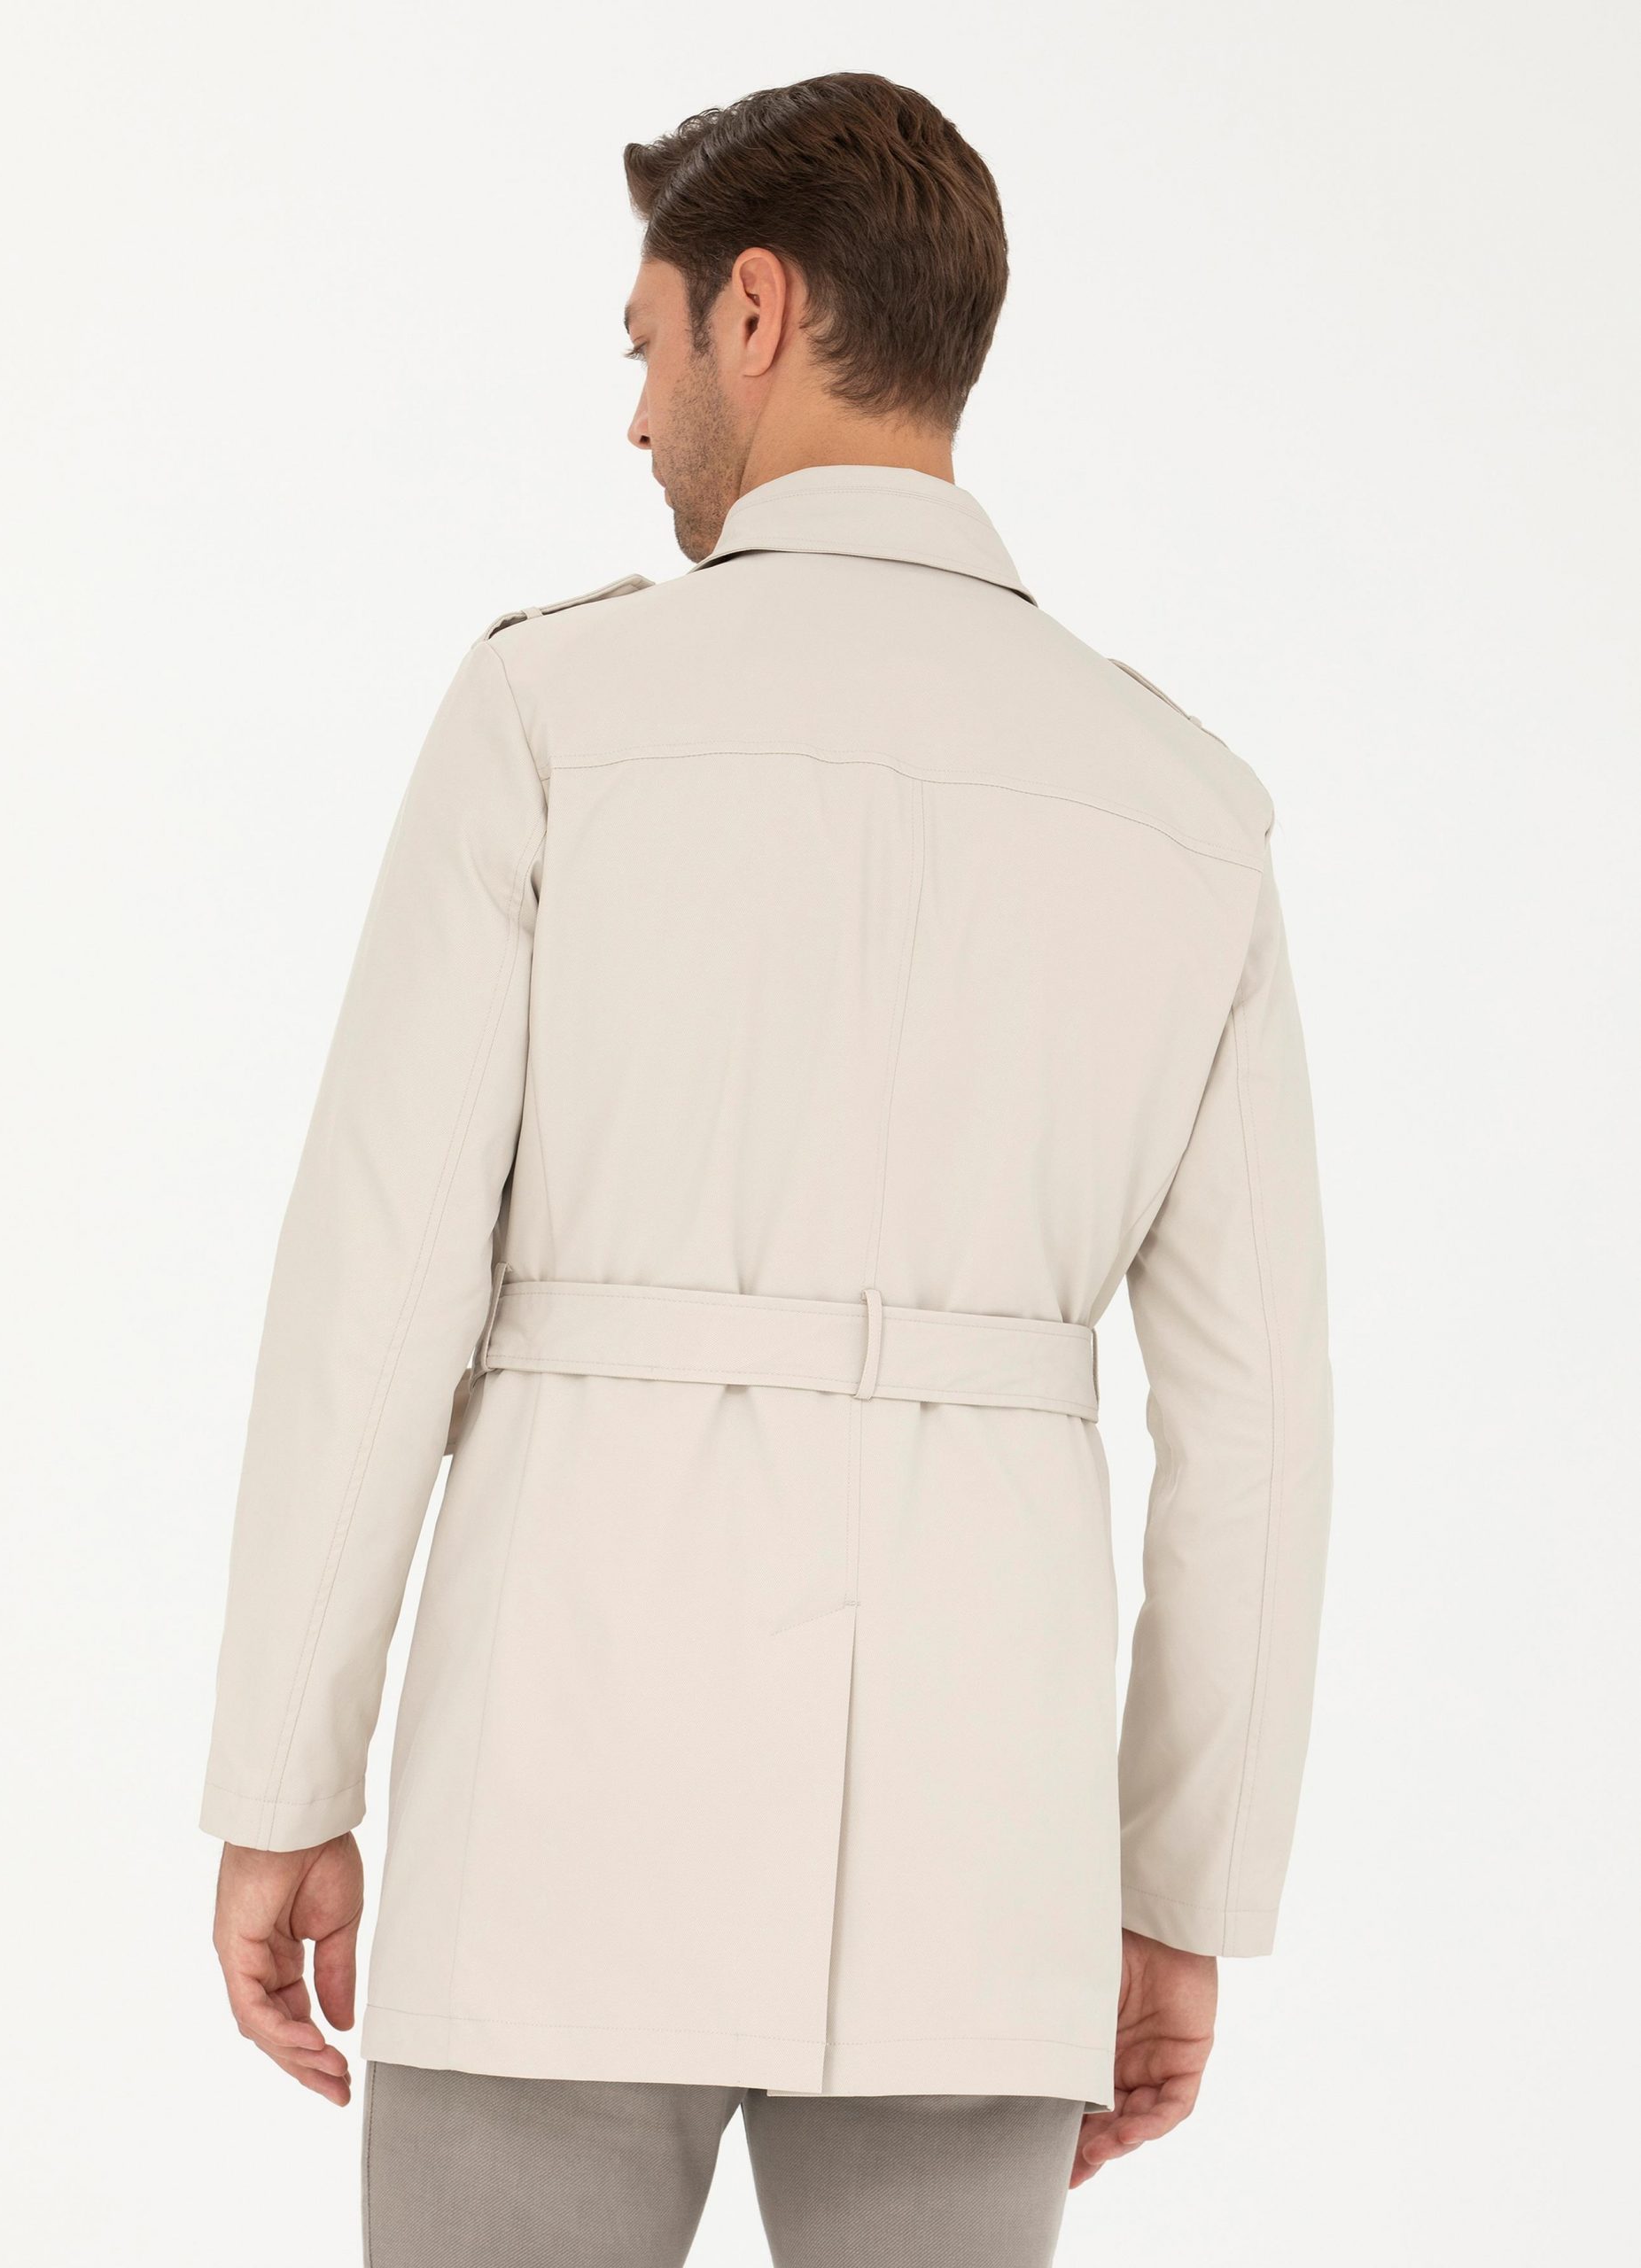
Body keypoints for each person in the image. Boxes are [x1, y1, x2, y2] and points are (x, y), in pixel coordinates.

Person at [202, 71, 1333, 2266]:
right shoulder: (1183, 806)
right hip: (975, 1851)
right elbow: (1259, 1427)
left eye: (643, 344)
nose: (636, 418)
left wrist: (281, 1780)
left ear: (754, 308)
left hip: (558, 1799)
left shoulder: (554, 714)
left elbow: (379, 1281)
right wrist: (1182, 1888)